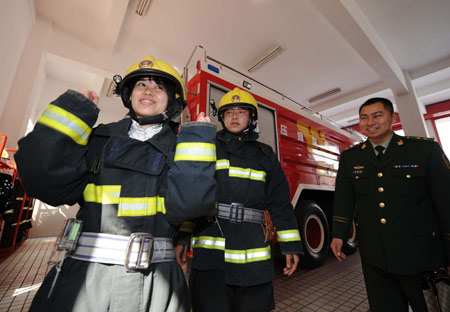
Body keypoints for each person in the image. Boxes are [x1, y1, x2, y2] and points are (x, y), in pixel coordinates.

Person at [14, 55, 218, 312]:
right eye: (141, 85)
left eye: (158, 87)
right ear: (129, 95)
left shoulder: (183, 148)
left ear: (171, 100)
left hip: (156, 282)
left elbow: (188, 208)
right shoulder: (98, 138)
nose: (149, 91)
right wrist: (69, 114)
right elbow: (45, 185)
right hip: (85, 280)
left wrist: (197, 143)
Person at [176, 88, 303, 312]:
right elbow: (192, 193)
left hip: (252, 256)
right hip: (211, 255)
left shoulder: (265, 154)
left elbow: (280, 203)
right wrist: (183, 236)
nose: (234, 116)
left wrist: (290, 245)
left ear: (251, 118)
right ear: (222, 117)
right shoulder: (208, 147)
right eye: (229, 112)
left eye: (241, 111)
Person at [330, 97, 450, 312]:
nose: (370, 122)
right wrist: (338, 233)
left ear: (393, 118)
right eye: (364, 118)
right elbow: (344, 199)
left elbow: (446, 201)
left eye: (377, 115)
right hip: (375, 257)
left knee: (431, 308)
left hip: (420, 254)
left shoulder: (424, 150)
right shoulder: (350, 158)